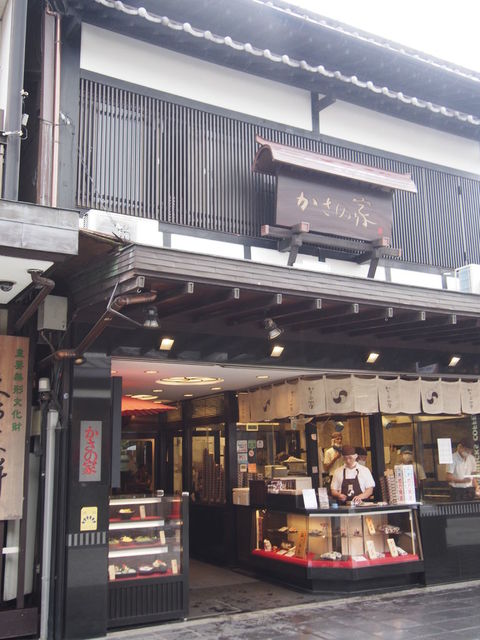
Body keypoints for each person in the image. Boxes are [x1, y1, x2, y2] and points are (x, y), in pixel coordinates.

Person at [446, 437, 480, 501]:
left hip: (470, 490)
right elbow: (448, 477)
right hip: (457, 491)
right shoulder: (452, 458)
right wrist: (462, 481)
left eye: (470, 450)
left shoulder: (471, 458)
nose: (468, 452)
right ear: (460, 447)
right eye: (466, 450)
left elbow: (473, 477)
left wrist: (477, 487)